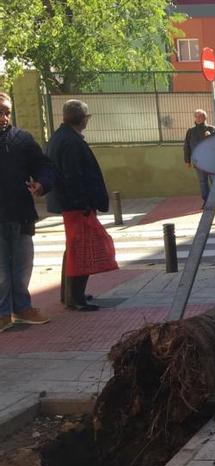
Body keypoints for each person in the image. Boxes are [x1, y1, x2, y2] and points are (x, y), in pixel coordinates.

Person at [46, 99, 118, 311]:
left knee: (74, 249)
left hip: (70, 204)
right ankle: (75, 298)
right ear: (83, 119)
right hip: (76, 206)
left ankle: (70, 294)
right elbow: (73, 176)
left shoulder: (61, 137)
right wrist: (83, 203)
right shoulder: (70, 141)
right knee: (81, 250)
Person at [0, 92, 54, 331]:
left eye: (6, 112)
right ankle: (2, 313)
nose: (3, 116)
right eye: (0, 111)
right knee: (0, 270)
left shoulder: (21, 139)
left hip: (21, 213)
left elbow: (44, 166)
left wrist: (42, 183)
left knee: (23, 265)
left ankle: (22, 308)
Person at [183, 109, 215, 209]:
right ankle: (206, 202)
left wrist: (211, 136)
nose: (199, 118)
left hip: (212, 161)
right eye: (197, 116)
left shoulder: (212, 129)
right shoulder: (190, 131)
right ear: (194, 118)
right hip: (198, 161)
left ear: (205, 117)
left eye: (201, 116)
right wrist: (187, 161)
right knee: (203, 182)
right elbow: (187, 146)